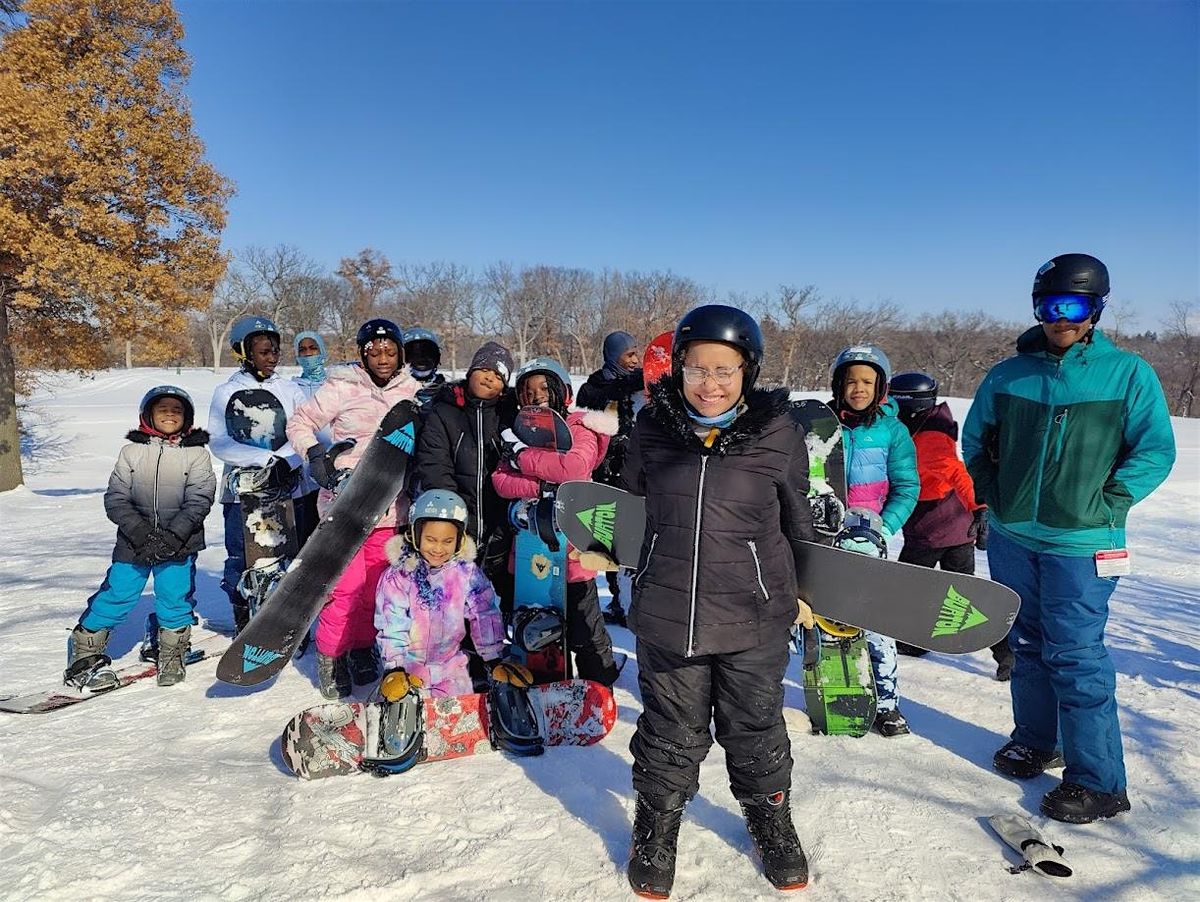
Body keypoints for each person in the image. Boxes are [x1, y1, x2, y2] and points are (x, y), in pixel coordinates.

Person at [963, 253, 1175, 824]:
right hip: (1013, 536)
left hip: (1083, 543)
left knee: (1076, 655)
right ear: (1038, 308)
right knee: (1027, 644)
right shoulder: (1009, 374)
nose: (1062, 317)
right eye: (1051, 305)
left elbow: (1155, 450)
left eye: (1075, 305)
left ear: (1096, 309)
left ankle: (1099, 781)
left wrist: (1109, 501)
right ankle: (1037, 740)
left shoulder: (1127, 374)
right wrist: (995, 495)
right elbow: (975, 441)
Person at [618, 305, 815, 897]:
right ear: (678, 368)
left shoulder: (779, 435)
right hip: (668, 612)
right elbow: (629, 510)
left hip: (754, 613)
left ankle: (771, 822)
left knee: (754, 727)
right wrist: (612, 553)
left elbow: (797, 519)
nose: (711, 383)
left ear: (746, 371)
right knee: (669, 731)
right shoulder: (651, 429)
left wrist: (809, 590)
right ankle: (656, 827)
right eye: (698, 369)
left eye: (724, 370)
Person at [287, 318, 419, 699]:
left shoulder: (412, 390)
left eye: (390, 351)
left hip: (392, 508)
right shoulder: (341, 386)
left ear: (400, 354)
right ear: (362, 353)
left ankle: (363, 647)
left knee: (376, 590)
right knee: (344, 590)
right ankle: (332, 656)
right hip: (344, 506)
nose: (382, 357)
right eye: (373, 351)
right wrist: (315, 455)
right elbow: (300, 421)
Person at [66, 386, 216, 687]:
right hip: (133, 542)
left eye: (177, 410)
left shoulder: (196, 454)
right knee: (119, 592)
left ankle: (171, 651)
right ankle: (85, 651)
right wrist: (141, 533)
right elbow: (116, 497)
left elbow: (200, 498)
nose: (170, 414)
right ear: (148, 415)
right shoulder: (131, 452)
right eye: (163, 409)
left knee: (174, 597)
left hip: (179, 543)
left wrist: (172, 537)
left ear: (187, 418)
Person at [491, 357, 621, 686]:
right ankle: (540, 679)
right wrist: (546, 484)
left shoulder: (582, 427)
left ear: (562, 392)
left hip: (574, 551)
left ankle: (598, 680)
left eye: (544, 388)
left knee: (584, 626)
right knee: (534, 621)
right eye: (528, 390)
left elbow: (575, 468)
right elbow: (502, 482)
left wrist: (522, 458)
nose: (536, 396)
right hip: (529, 549)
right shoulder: (517, 432)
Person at [888, 372, 1009, 678]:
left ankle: (1006, 652)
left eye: (892, 398)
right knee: (962, 593)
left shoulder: (932, 436)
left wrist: (979, 507)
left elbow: (957, 473)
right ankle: (1007, 653)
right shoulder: (918, 426)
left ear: (908, 403)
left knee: (909, 587)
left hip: (938, 526)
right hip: (943, 527)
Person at [829, 345, 919, 737]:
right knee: (828, 621)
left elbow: (907, 487)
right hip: (827, 537)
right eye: (850, 381)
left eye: (866, 381)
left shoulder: (892, 431)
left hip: (871, 539)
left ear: (880, 386)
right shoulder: (822, 425)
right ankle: (838, 694)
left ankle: (886, 703)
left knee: (875, 622)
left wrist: (884, 528)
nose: (858, 388)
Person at [208, 316, 308, 633]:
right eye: (263, 351)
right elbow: (220, 440)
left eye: (275, 350)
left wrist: (288, 462)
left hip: (288, 488)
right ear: (244, 352)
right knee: (241, 554)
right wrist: (266, 459)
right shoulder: (227, 392)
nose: (271, 356)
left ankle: (286, 613)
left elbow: (306, 431)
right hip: (242, 493)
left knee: (288, 552)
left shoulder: (289, 389)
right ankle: (243, 611)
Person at [412, 341, 518, 617]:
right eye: (483, 369)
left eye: (497, 376)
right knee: (454, 600)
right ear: (470, 372)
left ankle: (494, 651)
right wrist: (455, 521)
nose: (488, 377)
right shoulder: (444, 412)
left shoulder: (509, 415)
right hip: (457, 527)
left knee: (495, 602)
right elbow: (435, 466)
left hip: (500, 527)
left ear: (504, 386)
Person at [375, 489, 508, 696]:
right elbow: (392, 623)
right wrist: (395, 667)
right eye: (431, 539)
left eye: (447, 541)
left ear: (459, 540)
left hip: (452, 668)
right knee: (411, 720)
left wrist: (493, 658)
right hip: (410, 672)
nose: (438, 548)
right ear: (415, 535)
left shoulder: (466, 573)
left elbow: (484, 613)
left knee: (456, 721)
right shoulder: (400, 576)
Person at [576, 330, 644, 627]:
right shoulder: (595, 386)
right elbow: (597, 400)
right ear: (614, 355)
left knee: (636, 541)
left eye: (636, 354)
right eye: (629, 355)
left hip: (636, 473)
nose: (635, 360)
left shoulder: (641, 382)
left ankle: (635, 600)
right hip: (605, 473)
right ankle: (619, 599)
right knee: (610, 543)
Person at [291, 330, 330, 547]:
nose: (308, 354)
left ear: (322, 351)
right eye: (302, 350)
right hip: (303, 473)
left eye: (312, 348)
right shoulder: (292, 387)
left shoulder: (337, 384)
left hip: (333, 468)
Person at [403, 327, 447, 407]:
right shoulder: (391, 391)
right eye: (414, 355)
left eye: (427, 353)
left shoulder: (448, 394)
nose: (421, 359)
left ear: (437, 358)